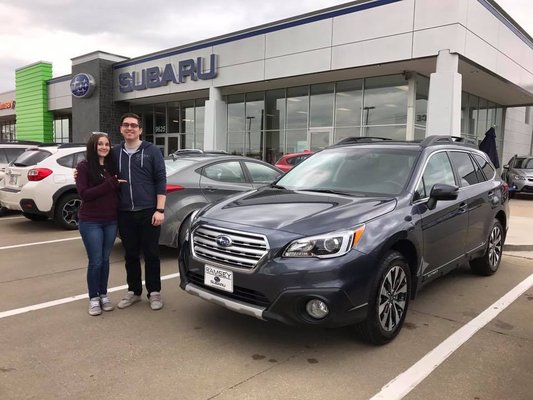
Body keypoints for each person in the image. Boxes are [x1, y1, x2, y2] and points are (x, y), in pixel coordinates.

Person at [114, 113, 167, 311]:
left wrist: (160, 209)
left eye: (134, 125)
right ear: (121, 129)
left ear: (140, 130)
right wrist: (79, 171)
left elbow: (161, 180)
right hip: (125, 212)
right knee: (131, 255)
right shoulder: (115, 152)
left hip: (149, 212)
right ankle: (133, 291)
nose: (130, 128)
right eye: (126, 125)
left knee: (152, 254)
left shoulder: (152, 151)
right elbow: (98, 168)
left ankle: (154, 292)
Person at [76, 132, 121, 316]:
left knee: (105, 260)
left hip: (110, 220)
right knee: (95, 262)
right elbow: (84, 194)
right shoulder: (84, 167)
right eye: (100, 144)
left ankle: (103, 294)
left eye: (107, 144)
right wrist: (110, 183)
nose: (104, 147)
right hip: (91, 221)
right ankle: (93, 298)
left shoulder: (112, 166)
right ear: (93, 146)